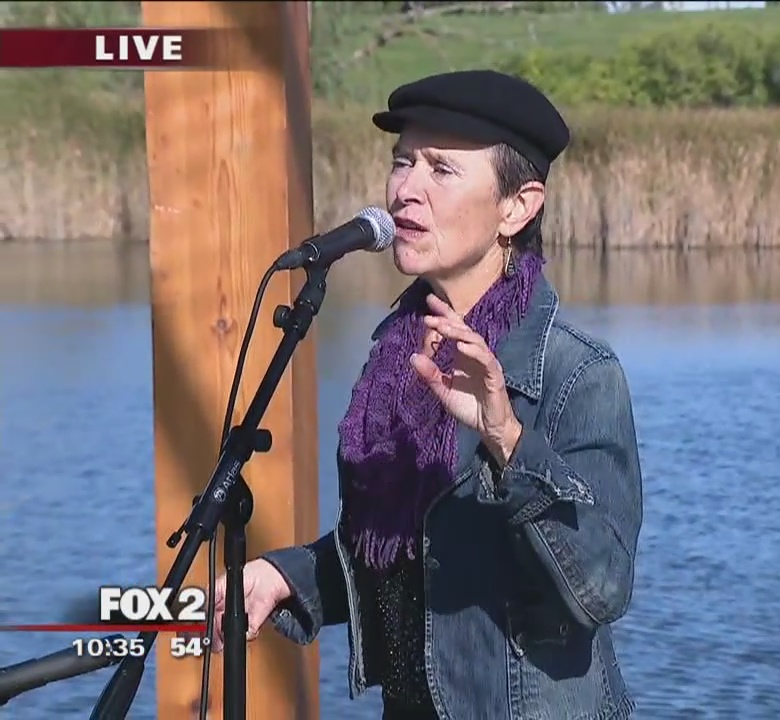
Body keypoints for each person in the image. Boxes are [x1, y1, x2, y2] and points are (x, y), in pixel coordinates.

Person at [207, 70, 645, 720]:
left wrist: (507, 441)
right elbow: (404, 555)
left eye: (441, 169)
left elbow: (600, 590)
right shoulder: (397, 356)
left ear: (517, 206)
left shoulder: (576, 374)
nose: (405, 190)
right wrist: (288, 576)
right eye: (402, 161)